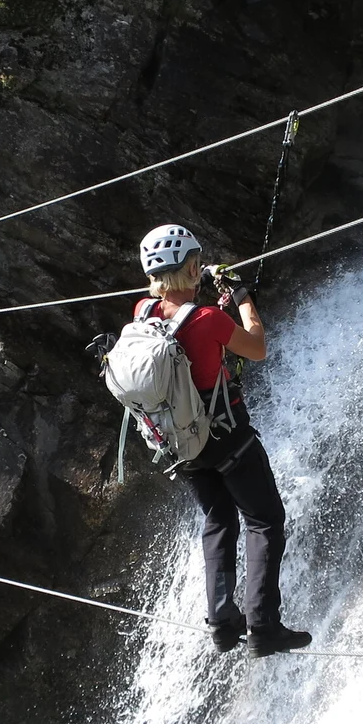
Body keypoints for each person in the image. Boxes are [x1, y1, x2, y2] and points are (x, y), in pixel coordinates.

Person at [136, 225, 312, 657]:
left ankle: (220, 623)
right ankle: (263, 626)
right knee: (264, 520)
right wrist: (242, 298)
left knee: (218, 521)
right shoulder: (208, 319)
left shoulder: (141, 312)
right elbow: (256, 347)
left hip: (183, 447)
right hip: (227, 438)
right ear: (194, 267)